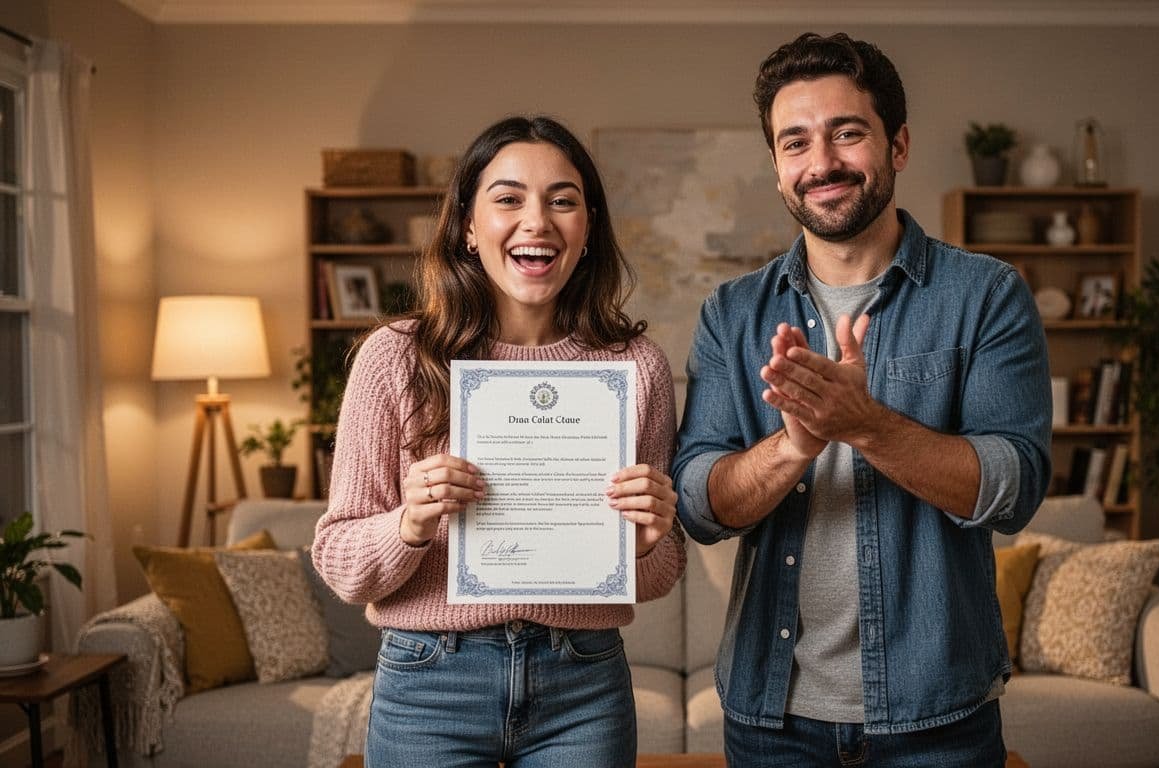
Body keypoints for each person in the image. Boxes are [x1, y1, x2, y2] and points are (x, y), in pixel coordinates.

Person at [673, 33, 1051, 767]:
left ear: (898, 144)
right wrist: (794, 446)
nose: (822, 164)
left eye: (848, 132)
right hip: (770, 719)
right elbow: (697, 501)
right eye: (795, 143)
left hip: (938, 719)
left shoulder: (987, 296)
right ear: (778, 168)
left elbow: (1015, 487)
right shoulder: (731, 313)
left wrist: (867, 426)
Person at [312, 115, 685, 768]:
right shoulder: (394, 358)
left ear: (588, 226)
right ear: (467, 225)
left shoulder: (636, 367)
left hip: (584, 683)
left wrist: (648, 541)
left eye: (562, 200)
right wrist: (410, 522)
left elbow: (657, 574)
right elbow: (342, 564)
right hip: (430, 679)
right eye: (509, 198)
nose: (536, 220)